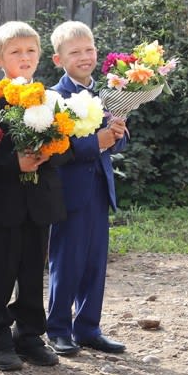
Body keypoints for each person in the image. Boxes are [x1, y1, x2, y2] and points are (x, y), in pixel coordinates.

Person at [0, 21, 68, 371]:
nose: (24, 57)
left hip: (40, 200)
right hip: (3, 201)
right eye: (15, 52)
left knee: (31, 272)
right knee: (0, 274)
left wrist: (47, 154)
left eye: (31, 51)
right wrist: (15, 162)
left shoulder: (51, 98)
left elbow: (67, 143)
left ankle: (29, 335)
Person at [47, 21, 128, 356]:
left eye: (89, 49)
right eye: (75, 52)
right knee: (67, 261)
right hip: (69, 191)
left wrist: (117, 134)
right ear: (58, 59)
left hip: (99, 188)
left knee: (95, 262)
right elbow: (58, 148)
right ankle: (58, 329)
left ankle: (88, 328)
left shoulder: (107, 93)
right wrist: (98, 142)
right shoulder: (54, 97)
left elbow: (118, 143)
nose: (84, 57)